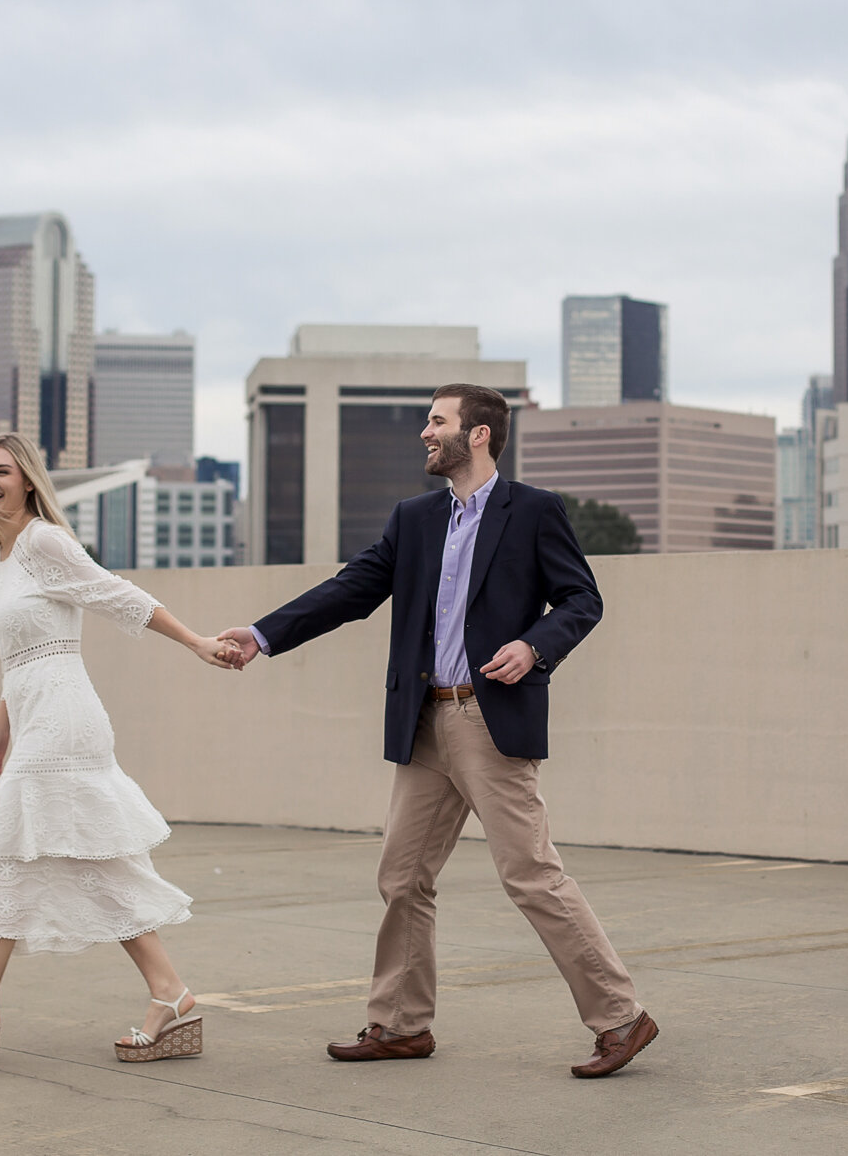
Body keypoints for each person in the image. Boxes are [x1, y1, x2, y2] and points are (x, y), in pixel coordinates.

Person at [219, 383, 658, 1078]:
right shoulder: (415, 518)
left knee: (530, 874)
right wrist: (263, 633)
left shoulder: (534, 512)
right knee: (402, 875)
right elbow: (350, 588)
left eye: (437, 421)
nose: (425, 433)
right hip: (425, 719)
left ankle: (621, 1016)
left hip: (490, 718)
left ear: (478, 434)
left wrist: (535, 645)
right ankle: (399, 1024)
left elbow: (582, 597)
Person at [0, 432, 239, 1065]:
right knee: (92, 858)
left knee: (8, 850)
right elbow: (19, 655)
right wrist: (0, 725)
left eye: (3, 470)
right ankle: (169, 994)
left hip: (65, 718)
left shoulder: (43, 542)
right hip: (32, 714)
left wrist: (196, 640)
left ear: (29, 480)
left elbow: (115, 593)